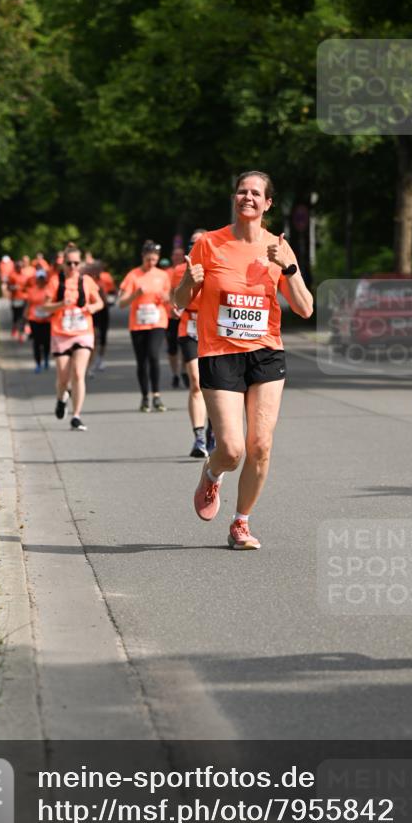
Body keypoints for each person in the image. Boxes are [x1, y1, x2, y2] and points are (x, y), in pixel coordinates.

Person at [174, 171, 313, 550]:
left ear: (268, 203)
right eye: (241, 191)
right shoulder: (209, 244)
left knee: (261, 444)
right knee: (233, 449)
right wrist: (189, 280)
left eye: (255, 193)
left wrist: (290, 267)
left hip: (266, 352)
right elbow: (180, 301)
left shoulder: (278, 248)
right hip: (220, 352)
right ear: (234, 198)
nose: (247, 197)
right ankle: (212, 471)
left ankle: (241, 523)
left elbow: (304, 307)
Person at [45, 246, 104, 430]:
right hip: (61, 333)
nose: (72, 266)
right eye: (69, 263)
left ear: (81, 264)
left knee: (78, 373)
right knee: (63, 377)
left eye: (76, 263)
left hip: (83, 332)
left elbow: (99, 302)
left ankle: (76, 415)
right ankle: (61, 398)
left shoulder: (86, 281)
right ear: (63, 264)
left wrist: (92, 308)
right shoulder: (55, 281)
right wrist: (61, 304)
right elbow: (45, 307)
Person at [118, 240, 171, 413]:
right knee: (142, 361)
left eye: (154, 260)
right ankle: (144, 397)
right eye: (148, 259)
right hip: (139, 324)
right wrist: (136, 294)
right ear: (142, 257)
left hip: (158, 321)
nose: (151, 263)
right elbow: (122, 303)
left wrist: (166, 298)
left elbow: (170, 297)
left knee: (154, 355)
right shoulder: (133, 275)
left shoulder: (162, 275)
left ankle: (156, 395)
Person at [171, 230, 209, 457]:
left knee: (213, 385)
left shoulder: (219, 267)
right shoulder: (178, 270)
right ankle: (199, 437)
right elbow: (174, 298)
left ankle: (214, 429)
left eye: (201, 243)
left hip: (214, 331)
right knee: (196, 382)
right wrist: (177, 306)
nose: (197, 246)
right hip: (190, 328)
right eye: (193, 243)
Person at [165, 247, 188, 389]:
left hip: (187, 314)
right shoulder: (167, 272)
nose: (177, 257)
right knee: (172, 347)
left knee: (186, 346)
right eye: (175, 254)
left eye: (180, 255)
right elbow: (169, 292)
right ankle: (175, 374)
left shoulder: (187, 269)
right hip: (172, 315)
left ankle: (185, 371)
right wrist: (172, 307)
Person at [23, 269, 52, 372]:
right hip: (34, 319)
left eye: (42, 278)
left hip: (47, 320)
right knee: (36, 342)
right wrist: (25, 317)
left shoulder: (49, 290)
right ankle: (38, 363)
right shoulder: (32, 290)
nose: (41, 280)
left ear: (45, 279)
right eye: (39, 278)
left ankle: (46, 359)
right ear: (36, 279)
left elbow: (52, 304)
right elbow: (28, 304)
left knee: (46, 342)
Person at [91, 262, 117, 373]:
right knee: (94, 336)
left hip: (104, 310)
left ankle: (100, 359)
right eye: (95, 269)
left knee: (103, 335)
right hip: (93, 310)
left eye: (99, 268)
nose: (97, 271)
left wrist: (110, 299)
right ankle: (91, 360)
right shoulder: (88, 280)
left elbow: (113, 292)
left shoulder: (106, 278)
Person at [7, 259, 29, 340]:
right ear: (15, 267)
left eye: (21, 266)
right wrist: (14, 287)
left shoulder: (25, 276)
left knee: (23, 316)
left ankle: (21, 334)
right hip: (15, 298)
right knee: (16, 316)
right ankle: (14, 328)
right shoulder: (12, 275)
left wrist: (26, 289)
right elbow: (8, 287)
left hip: (24, 298)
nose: (19, 268)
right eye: (18, 266)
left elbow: (29, 286)